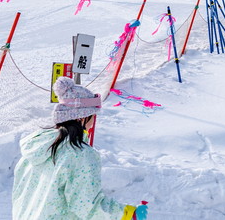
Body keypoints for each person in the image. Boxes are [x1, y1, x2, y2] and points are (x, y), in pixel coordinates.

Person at [12, 76, 148, 220]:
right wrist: (128, 213)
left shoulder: (35, 148)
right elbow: (87, 206)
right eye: (92, 116)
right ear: (81, 117)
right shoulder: (80, 154)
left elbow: (20, 196)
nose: (93, 122)